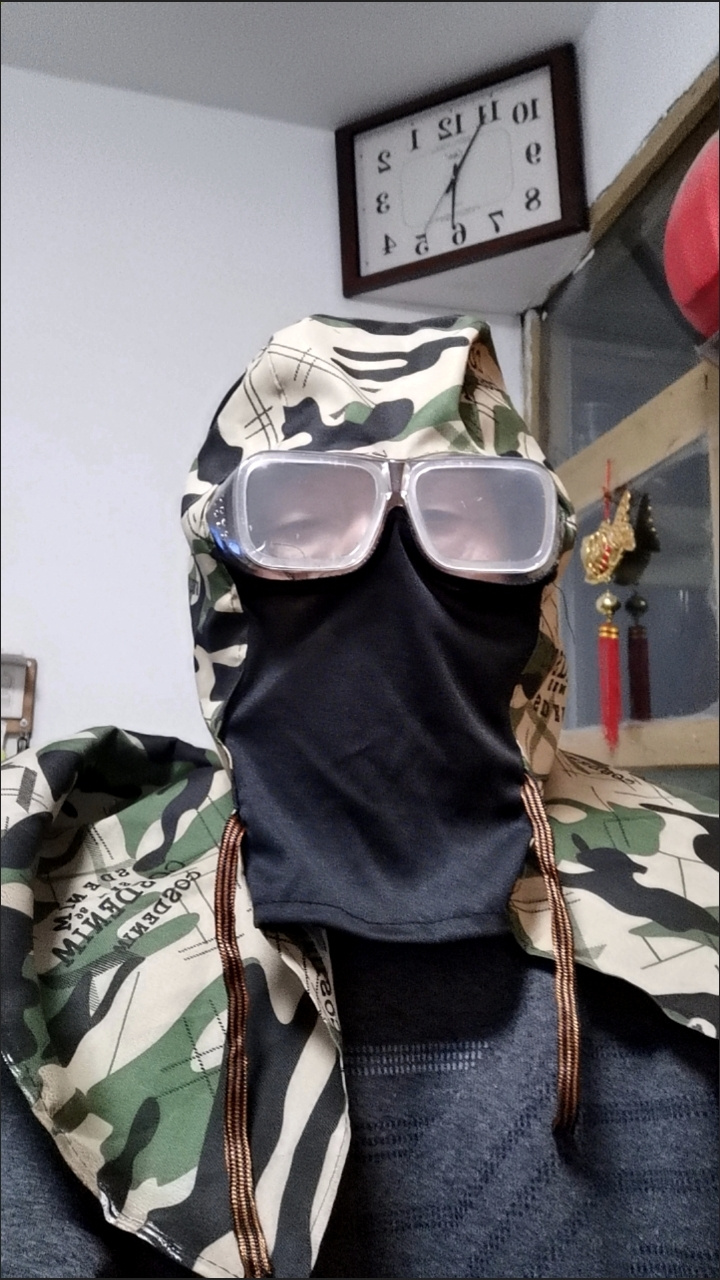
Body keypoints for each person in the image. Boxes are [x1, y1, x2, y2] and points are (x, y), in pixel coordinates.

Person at [1, 314, 717, 1279]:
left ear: (541, 570)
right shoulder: (48, 918)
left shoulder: (696, 896)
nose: (397, 572)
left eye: (474, 521)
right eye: (301, 523)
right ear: (221, 574)